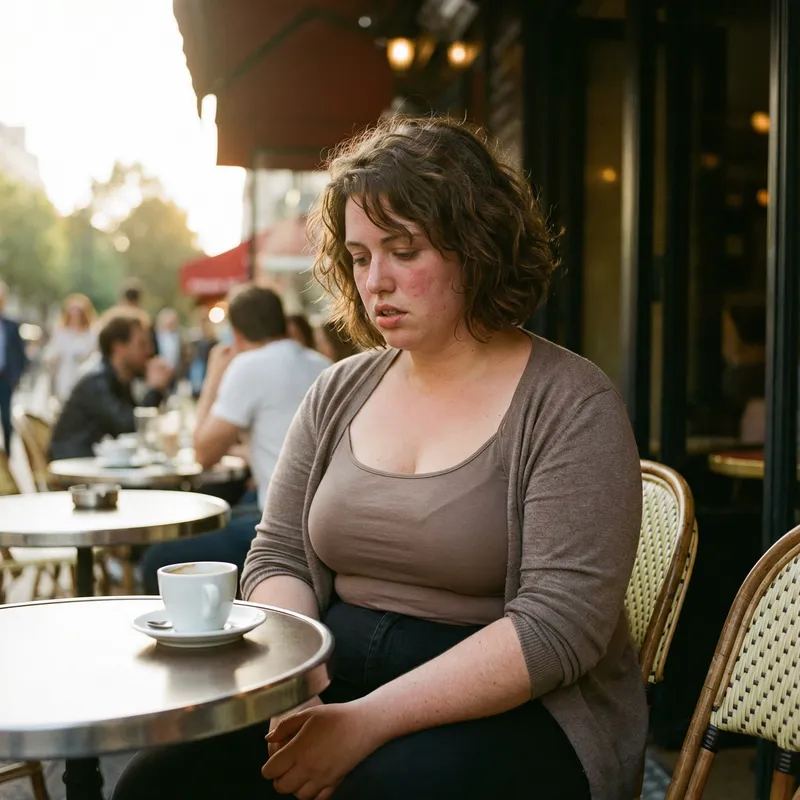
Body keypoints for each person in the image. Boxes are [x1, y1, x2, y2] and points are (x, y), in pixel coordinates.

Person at [114, 116, 646, 800]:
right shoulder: (340, 389)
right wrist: (294, 691)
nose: (376, 282)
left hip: (520, 708)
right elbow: (278, 555)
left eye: (403, 251)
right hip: (328, 673)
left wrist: (364, 725)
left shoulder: (570, 403)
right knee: (157, 784)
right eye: (361, 257)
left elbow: (556, 629)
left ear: (476, 248)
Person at [138, 285, 330, 593]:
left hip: (284, 529)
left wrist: (214, 375)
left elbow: (203, 452)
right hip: (322, 521)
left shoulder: (249, 365)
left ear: (236, 335)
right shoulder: (321, 364)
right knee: (221, 511)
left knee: (158, 559)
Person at [49, 309, 173, 460]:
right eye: (142, 344)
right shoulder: (96, 380)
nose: (150, 351)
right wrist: (155, 390)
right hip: (75, 468)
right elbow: (128, 427)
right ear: (119, 347)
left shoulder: (119, 380)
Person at [46, 293, 97, 402]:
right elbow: (52, 352)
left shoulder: (91, 334)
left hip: (83, 375)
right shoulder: (61, 332)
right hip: (64, 375)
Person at [0, 281, 28, 450]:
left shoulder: (11, 325)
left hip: (5, 378)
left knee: (6, 418)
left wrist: (16, 377)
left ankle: (8, 454)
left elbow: (20, 354)